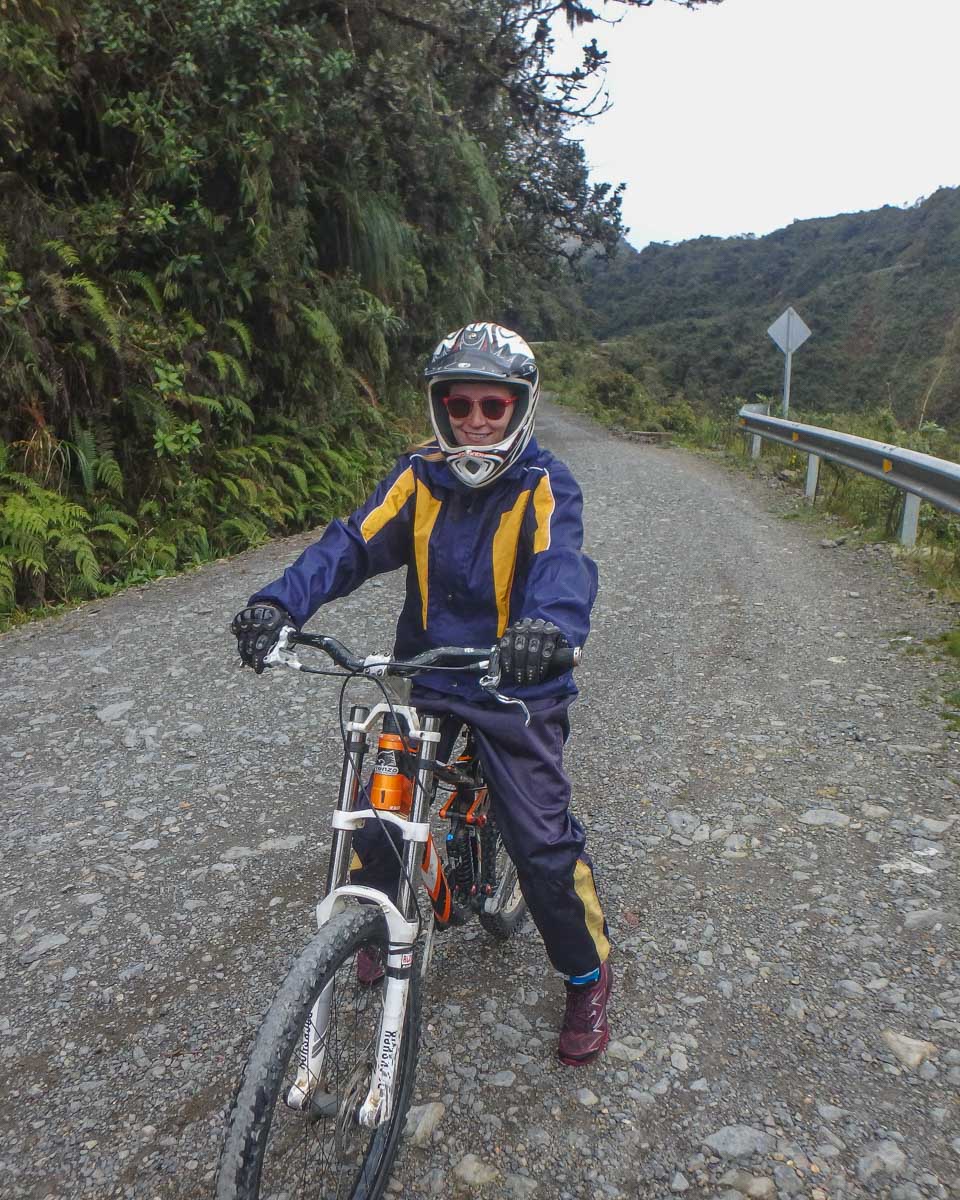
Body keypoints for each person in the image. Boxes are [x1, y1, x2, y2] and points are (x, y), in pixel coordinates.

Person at [231, 322, 611, 1065]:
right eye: (458, 405)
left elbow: (564, 565)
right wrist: (277, 605)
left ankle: (586, 973)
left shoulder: (545, 484)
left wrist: (545, 628)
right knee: (378, 805)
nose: (474, 422)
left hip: (515, 684)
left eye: (491, 407)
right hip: (431, 670)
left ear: (519, 409)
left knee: (539, 844)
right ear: (439, 409)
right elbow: (348, 544)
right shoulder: (418, 476)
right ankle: (374, 923)